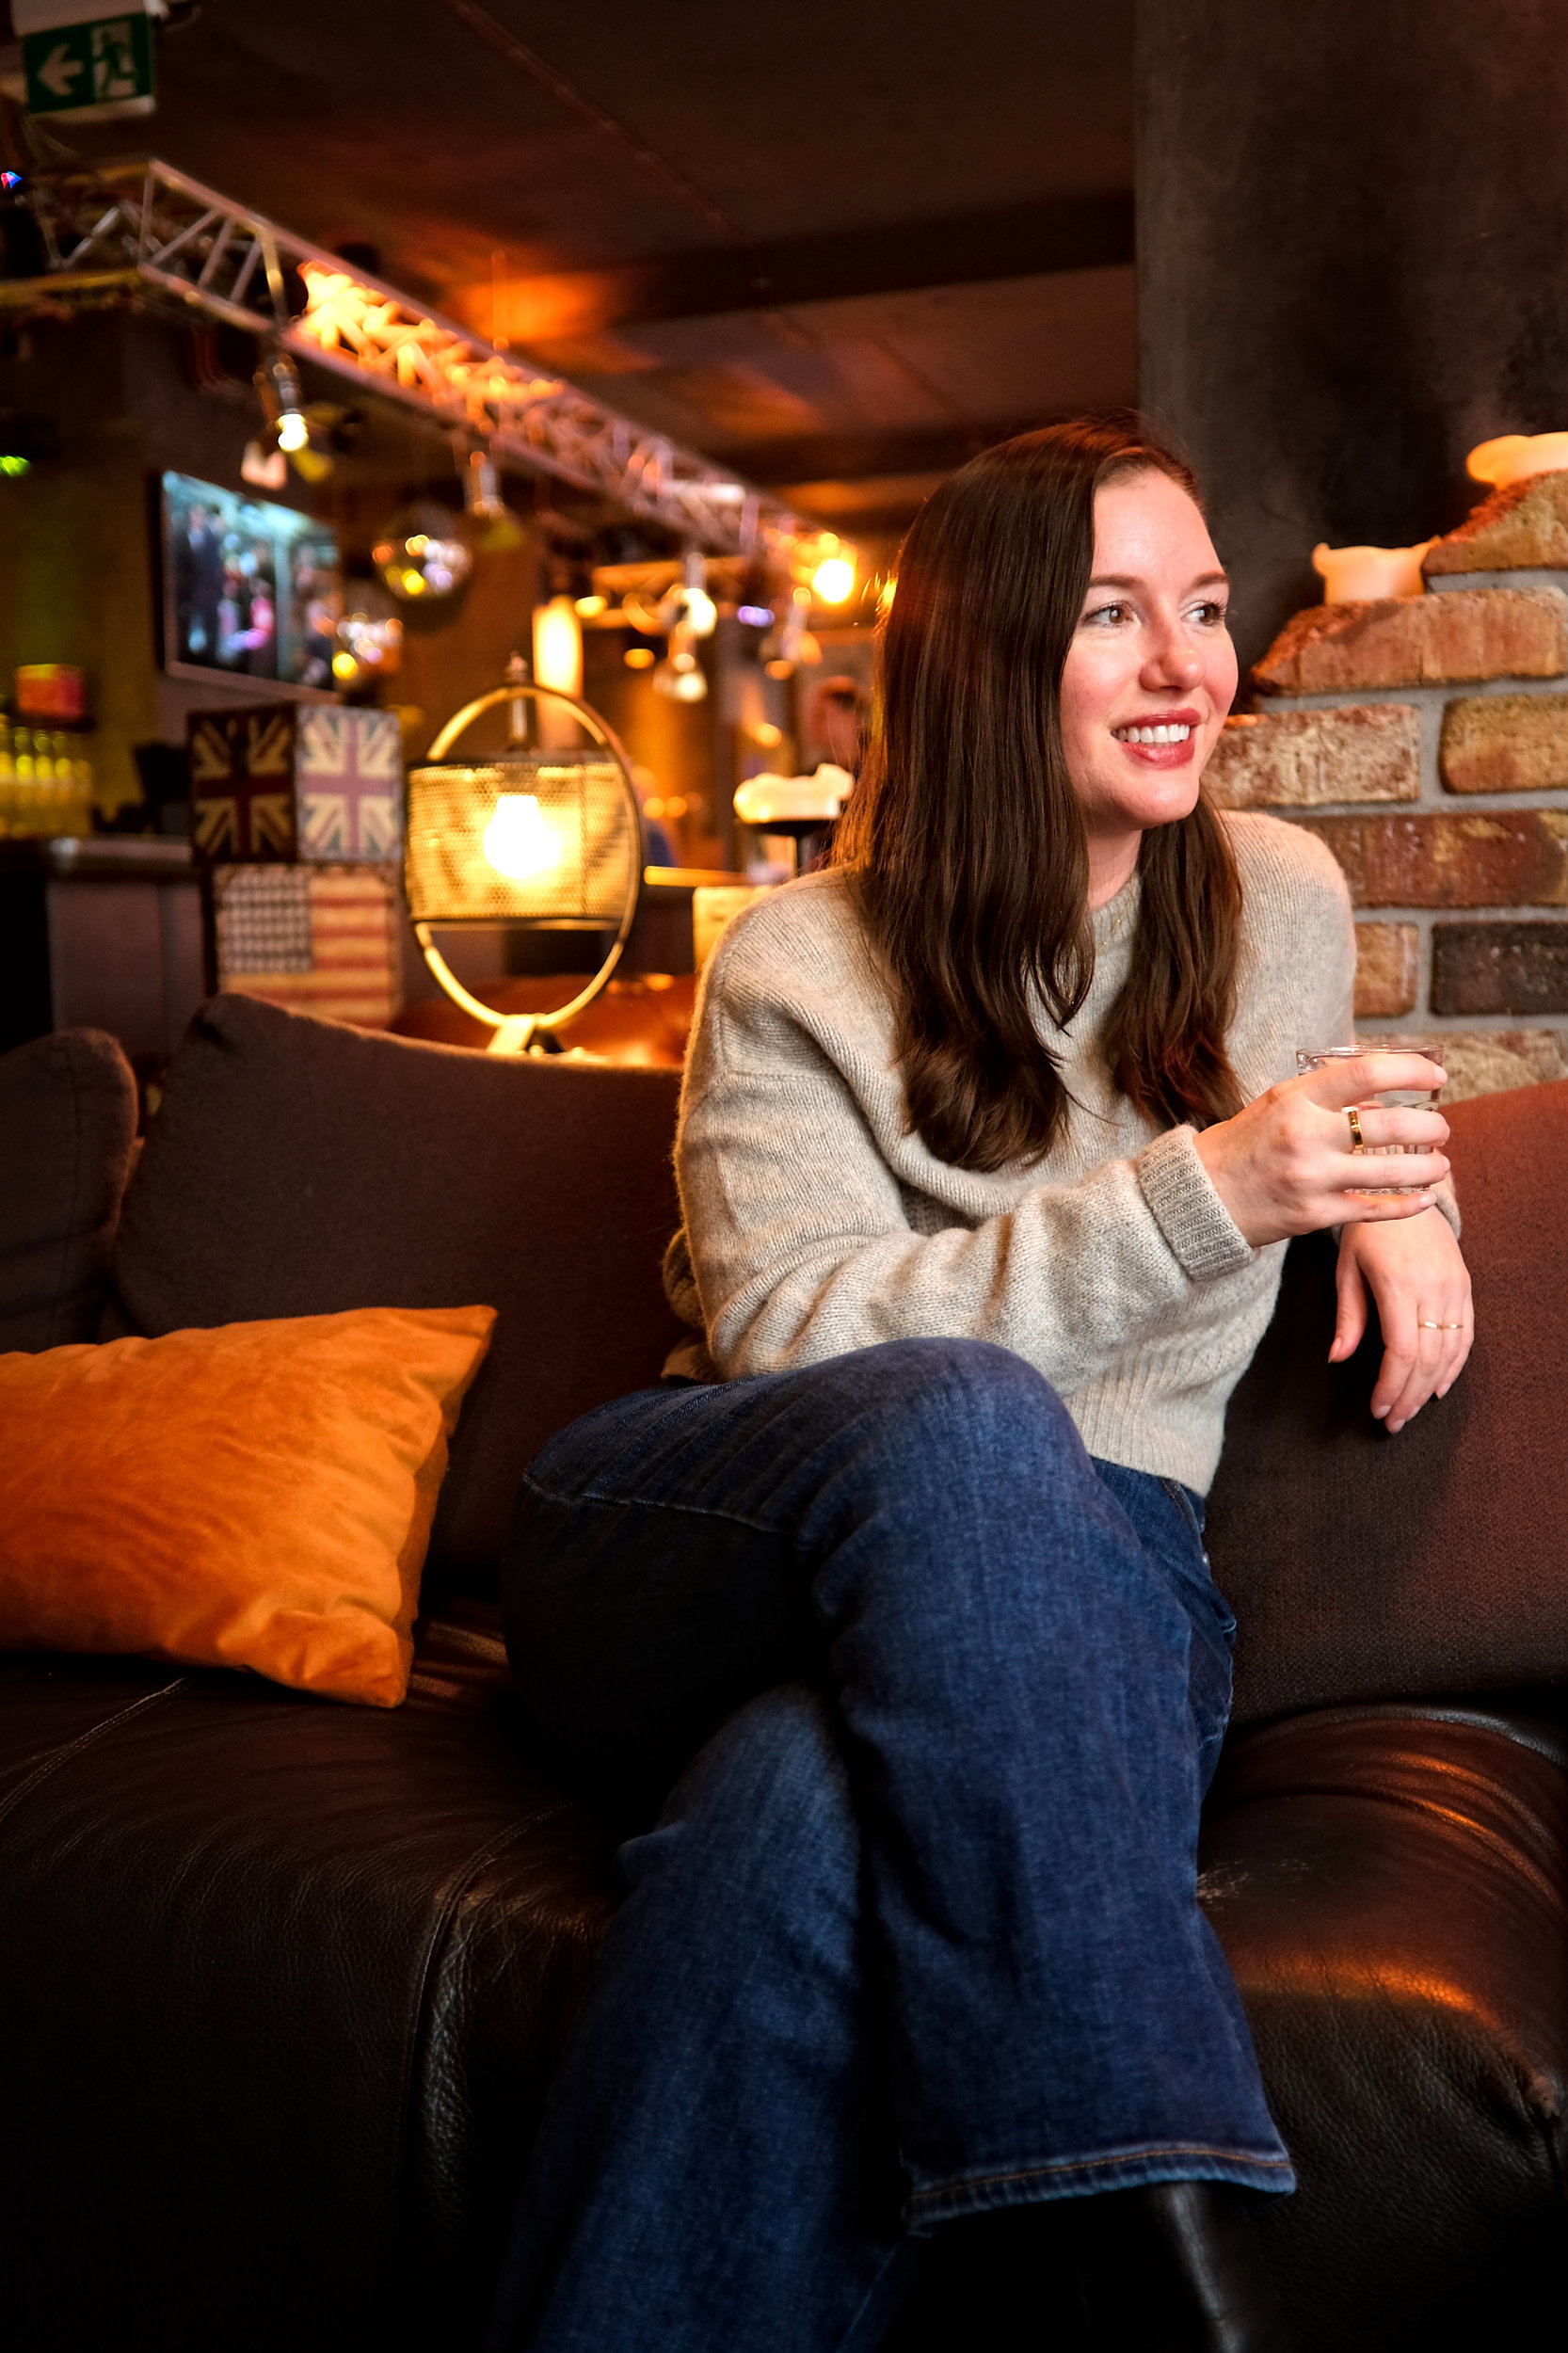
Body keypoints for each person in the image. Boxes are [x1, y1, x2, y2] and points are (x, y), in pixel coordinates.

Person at [487, 416, 1473, 2353]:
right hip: (709, 1529)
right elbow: (794, 1335)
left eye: (1201, 607)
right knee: (959, 1411)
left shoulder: (1276, 901)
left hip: (1095, 1583)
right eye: (1114, 615)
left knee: (792, 1811)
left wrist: (1404, 1188)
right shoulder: (797, 959)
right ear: (984, 659)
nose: (1188, 663)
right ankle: (1148, 2217)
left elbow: (1347, 1106)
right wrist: (1216, 1190)